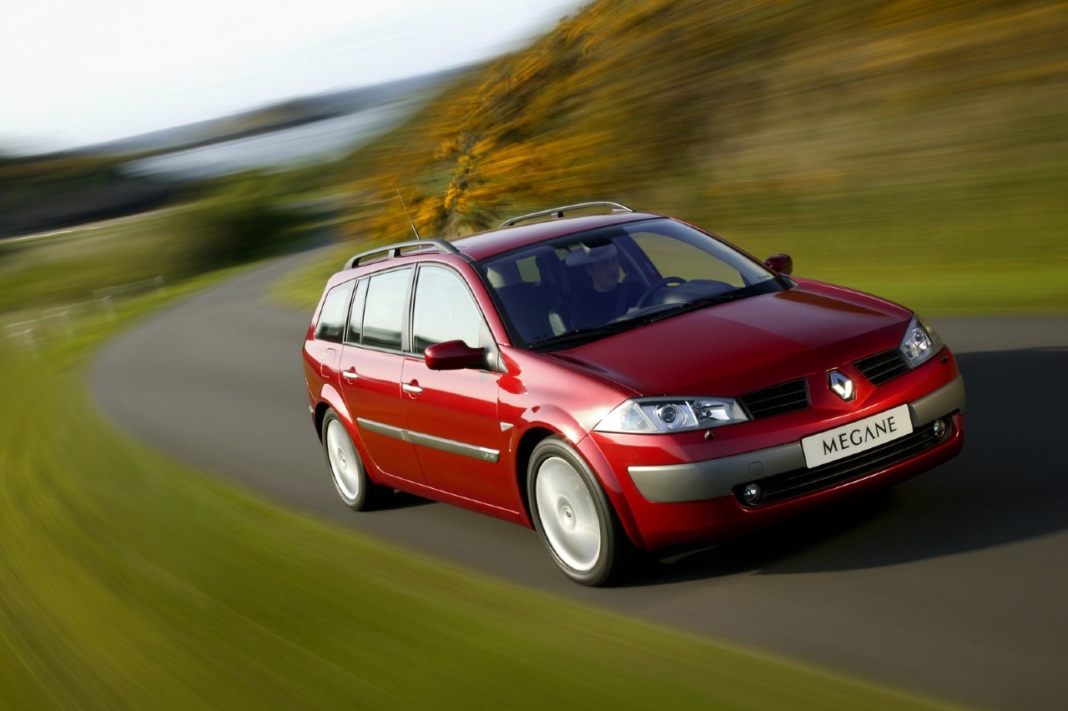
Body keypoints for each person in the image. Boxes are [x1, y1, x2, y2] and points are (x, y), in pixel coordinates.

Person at [556, 242, 640, 330]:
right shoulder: (582, 307)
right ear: (589, 269)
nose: (612, 267)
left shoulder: (633, 289)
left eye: (614, 261)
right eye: (603, 264)